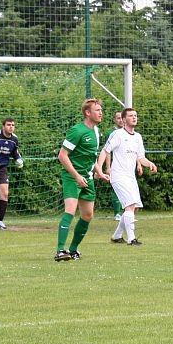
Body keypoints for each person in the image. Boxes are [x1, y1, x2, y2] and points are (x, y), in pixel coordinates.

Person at [95, 108, 157, 246]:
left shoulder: (138, 137)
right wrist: (99, 170)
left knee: (134, 208)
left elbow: (141, 157)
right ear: (123, 120)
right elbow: (105, 151)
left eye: (135, 115)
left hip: (130, 177)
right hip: (118, 176)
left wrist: (149, 164)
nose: (134, 117)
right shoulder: (118, 134)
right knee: (129, 205)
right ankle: (131, 239)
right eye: (130, 115)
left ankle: (117, 236)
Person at [55, 98, 104, 261]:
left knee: (88, 215)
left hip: (87, 178)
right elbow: (62, 156)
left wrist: (100, 171)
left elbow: (92, 157)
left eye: (101, 110)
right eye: (97, 110)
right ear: (87, 113)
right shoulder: (77, 131)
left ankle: (73, 250)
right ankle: (60, 251)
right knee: (70, 210)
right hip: (72, 177)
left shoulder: (96, 131)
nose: (101, 113)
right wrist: (76, 176)